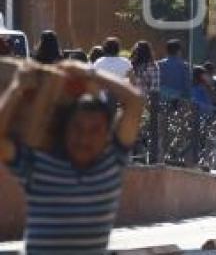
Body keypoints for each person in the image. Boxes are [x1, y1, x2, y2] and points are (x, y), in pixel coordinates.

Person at [0, 61, 144, 253]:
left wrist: (86, 72)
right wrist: (16, 87)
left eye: (94, 130)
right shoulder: (38, 164)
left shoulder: (112, 162)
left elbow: (135, 101)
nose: (85, 137)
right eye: (77, 128)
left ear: (107, 135)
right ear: (65, 130)